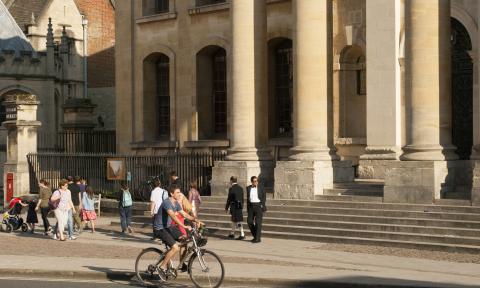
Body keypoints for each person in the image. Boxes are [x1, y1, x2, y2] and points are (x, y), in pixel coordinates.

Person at [154, 185, 197, 280]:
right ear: (172, 193)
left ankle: (182, 263)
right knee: (175, 247)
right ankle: (161, 267)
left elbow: (184, 214)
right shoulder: (167, 202)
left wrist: (195, 220)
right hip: (160, 229)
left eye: (180, 192)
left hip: (169, 227)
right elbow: (173, 216)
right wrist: (184, 226)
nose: (180, 194)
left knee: (184, 239)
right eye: (177, 192)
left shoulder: (176, 203)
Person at [246, 176, 267, 243]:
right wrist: (248, 208)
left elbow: (264, 197)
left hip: (258, 206)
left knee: (258, 223)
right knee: (249, 222)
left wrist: (262, 205)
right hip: (251, 206)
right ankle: (256, 236)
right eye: (254, 181)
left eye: (257, 181)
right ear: (252, 182)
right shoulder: (248, 188)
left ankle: (257, 239)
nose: (256, 182)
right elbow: (248, 199)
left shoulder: (261, 188)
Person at [225, 176, 245, 240]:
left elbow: (229, 199)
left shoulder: (231, 189)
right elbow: (242, 199)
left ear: (231, 181)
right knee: (234, 220)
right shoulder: (241, 188)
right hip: (239, 206)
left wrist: (226, 207)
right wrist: (242, 206)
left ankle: (242, 234)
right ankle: (232, 233)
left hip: (234, 206)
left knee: (237, 221)